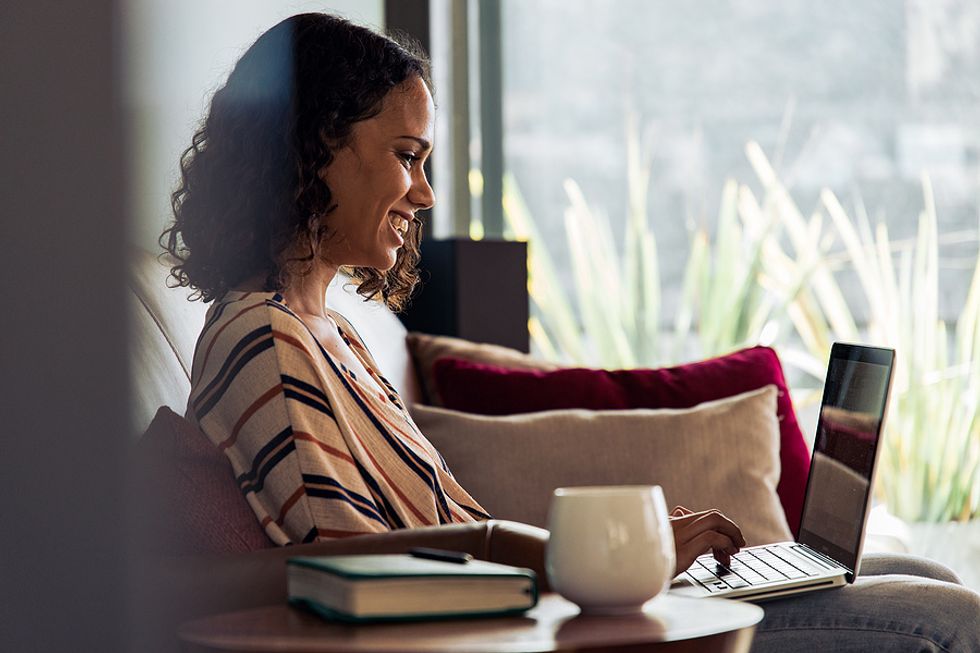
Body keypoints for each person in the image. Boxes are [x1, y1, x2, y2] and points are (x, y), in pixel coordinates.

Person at [162, 13, 979, 651]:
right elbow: (371, 573)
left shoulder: (328, 331)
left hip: (542, 609)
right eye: (407, 156)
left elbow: (429, 542)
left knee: (922, 572)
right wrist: (617, 558)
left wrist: (627, 555)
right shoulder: (263, 340)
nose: (424, 194)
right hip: (523, 627)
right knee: (949, 621)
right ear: (316, 146)